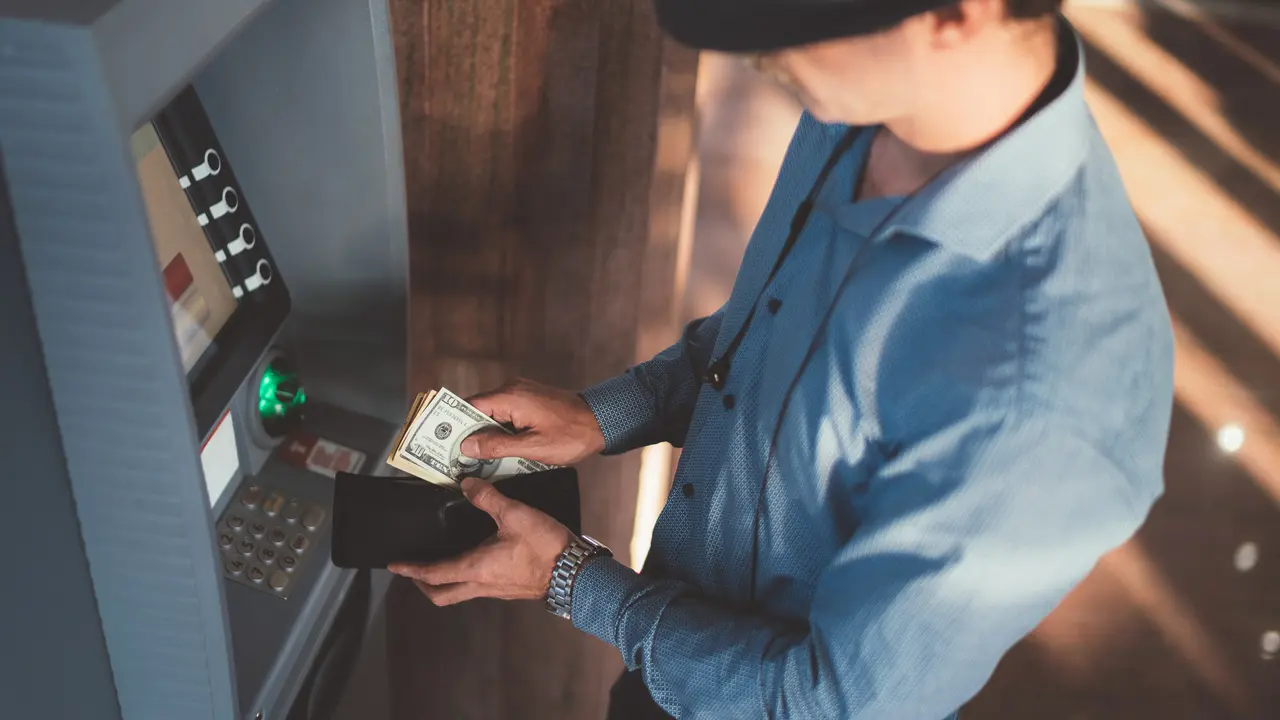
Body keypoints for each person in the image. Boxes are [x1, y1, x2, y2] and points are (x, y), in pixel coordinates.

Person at [389, 0, 1175, 717]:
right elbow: (774, 334)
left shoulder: (1049, 401)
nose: (763, 61)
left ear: (957, 15)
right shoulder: (866, 100)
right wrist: (608, 414)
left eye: (785, 30)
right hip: (661, 663)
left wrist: (571, 580)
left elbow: (826, 701)